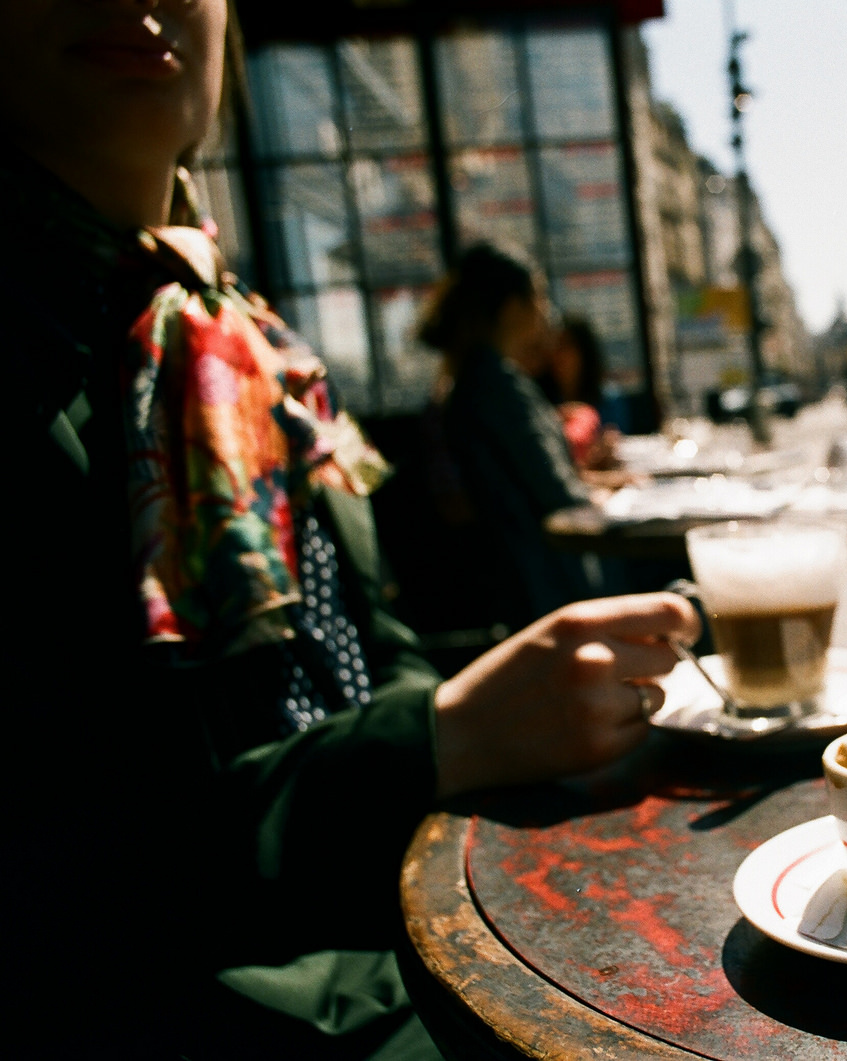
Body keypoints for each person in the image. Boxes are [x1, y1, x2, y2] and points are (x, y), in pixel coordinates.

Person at [0, 2, 696, 1057]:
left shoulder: (234, 331)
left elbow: (367, 653)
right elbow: (78, 879)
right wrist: (442, 733)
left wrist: (474, 715)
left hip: (394, 914)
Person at [420, 244, 629, 625]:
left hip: (526, 582)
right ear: (514, 307)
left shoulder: (472, 380)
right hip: (557, 581)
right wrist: (621, 495)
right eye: (541, 295)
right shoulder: (499, 386)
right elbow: (558, 495)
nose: (547, 310)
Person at [536, 315, 623, 473]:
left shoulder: (609, 398)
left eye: (566, 345)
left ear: (584, 351)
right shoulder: (540, 399)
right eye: (554, 346)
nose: (558, 354)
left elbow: (615, 441)